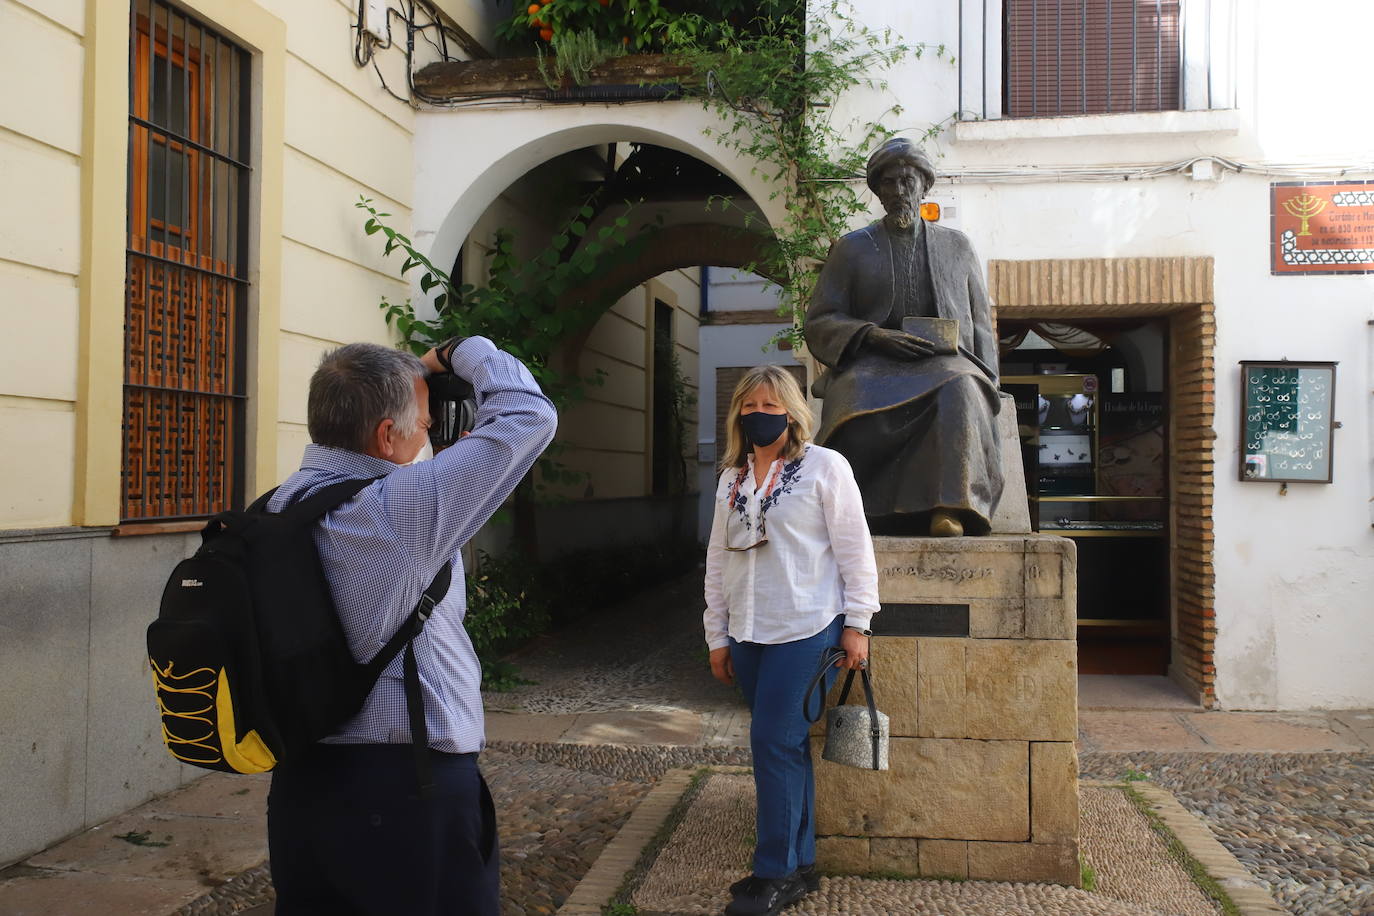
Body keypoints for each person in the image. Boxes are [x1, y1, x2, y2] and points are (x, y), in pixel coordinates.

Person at [265, 337, 556, 915]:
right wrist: (458, 351)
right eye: (422, 425)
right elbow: (529, 413)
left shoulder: (276, 506)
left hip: (301, 784)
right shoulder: (403, 508)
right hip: (405, 793)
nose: (428, 436)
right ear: (384, 435)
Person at [703, 365, 880, 916]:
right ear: (738, 414)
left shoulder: (824, 467)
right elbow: (716, 558)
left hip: (807, 629)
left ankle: (772, 873)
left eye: (770, 404)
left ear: (793, 410)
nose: (760, 415)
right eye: (749, 406)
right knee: (788, 746)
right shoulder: (730, 477)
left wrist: (859, 623)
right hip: (748, 631)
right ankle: (801, 865)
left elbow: (855, 548)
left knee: (771, 743)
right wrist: (717, 633)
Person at [804, 137, 1004, 537]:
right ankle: (855, 508)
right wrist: (874, 336)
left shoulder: (956, 246)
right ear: (878, 191)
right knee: (854, 393)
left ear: (924, 186)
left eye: (907, 181)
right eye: (890, 183)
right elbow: (820, 320)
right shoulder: (852, 249)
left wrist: (991, 380)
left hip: (945, 359)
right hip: (872, 361)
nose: (899, 191)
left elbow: (981, 322)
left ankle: (949, 507)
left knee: (962, 386)